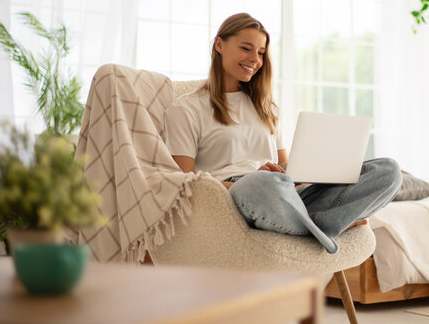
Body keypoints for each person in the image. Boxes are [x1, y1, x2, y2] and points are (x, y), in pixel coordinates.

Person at [164, 13, 401, 253]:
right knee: (262, 183)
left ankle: (311, 227)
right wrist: (254, 179)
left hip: (285, 196)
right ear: (219, 45)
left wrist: (308, 171)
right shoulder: (186, 108)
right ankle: (328, 227)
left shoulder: (266, 108)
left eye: (260, 53)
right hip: (239, 195)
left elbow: (285, 167)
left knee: (388, 171)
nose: (254, 59)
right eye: (246, 48)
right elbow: (186, 184)